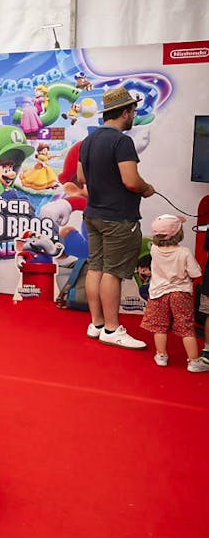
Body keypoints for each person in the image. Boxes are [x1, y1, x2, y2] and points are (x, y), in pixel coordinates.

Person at [77, 87, 156, 349]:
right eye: (133, 111)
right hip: (118, 218)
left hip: (93, 215)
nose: (133, 115)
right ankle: (111, 328)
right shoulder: (122, 142)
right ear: (125, 112)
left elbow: (81, 179)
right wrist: (147, 188)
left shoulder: (88, 141)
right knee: (111, 272)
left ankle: (96, 323)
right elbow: (131, 181)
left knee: (96, 267)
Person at [140, 215, 209, 371]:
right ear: (178, 234)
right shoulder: (184, 252)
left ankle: (161, 355)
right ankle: (193, 361)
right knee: (186, 328)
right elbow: (196, 273)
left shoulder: (154, 249)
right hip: (180, 293)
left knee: (159, 327)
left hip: (158, 293)